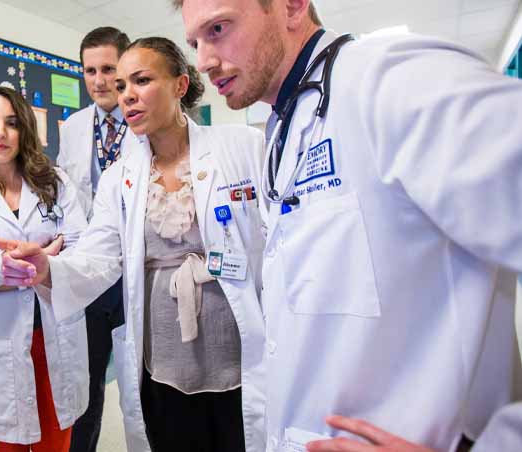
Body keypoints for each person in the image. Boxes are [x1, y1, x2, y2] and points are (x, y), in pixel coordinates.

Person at [178, 0, 522, 451]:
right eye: (194, 42)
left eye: (218, 28)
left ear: (292, 6)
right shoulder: (284, 129)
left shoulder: (394, 80)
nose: (204, 60)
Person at [0, 37, 268, 452]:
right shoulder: (121, 177)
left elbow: (277, 240)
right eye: (122, 86)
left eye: (142, 80)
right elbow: (99, 256)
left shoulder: (241, 148)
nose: (127, 94)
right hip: (162, 351)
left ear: (180, 85)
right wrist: (50, 268)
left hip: (236, 349)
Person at [0, 86, 89, 452]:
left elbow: (83, 249)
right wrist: (35, 260)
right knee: (7, 444)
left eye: (10, 123)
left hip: (53, 333)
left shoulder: (56, 184)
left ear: (24, 129)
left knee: (56, 441)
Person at [55, 26, 136, 452]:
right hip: (87, 275)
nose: (100, 80)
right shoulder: (72, 127)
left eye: (109, 69)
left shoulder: (144, 117)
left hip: (135, 272)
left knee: (138, 387)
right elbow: (67, 193)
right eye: (90, 70)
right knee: (84, 388)